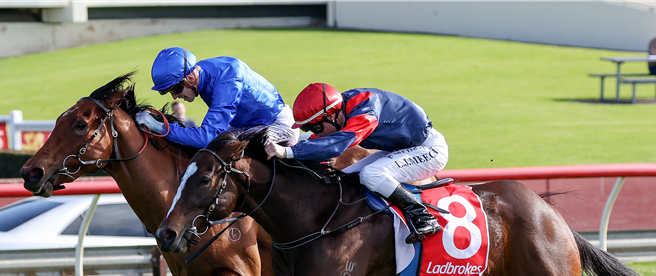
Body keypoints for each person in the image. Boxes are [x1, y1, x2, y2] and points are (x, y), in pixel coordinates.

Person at [265, 83, 448, 244]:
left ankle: (423, 216)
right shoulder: (340, 108)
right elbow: (319, 144)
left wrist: (289, 152)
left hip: (428, 149)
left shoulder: (365, 113)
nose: (315, 133)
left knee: (371, 174)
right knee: (344, 176)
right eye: (309, 129)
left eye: (316, 127)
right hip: (399, 149)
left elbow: (337, 144)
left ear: (332, 115)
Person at [136, 47, 299, 147]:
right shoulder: (201, 72)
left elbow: (206, 137)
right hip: (247, 126)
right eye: (168, 92)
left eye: (176, 88)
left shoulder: (227, 81)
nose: (175, 96)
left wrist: (161, 128)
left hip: (278, 125)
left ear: (191, 78)